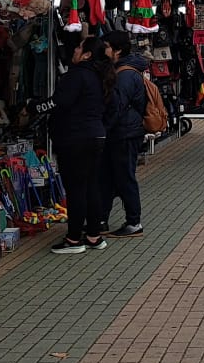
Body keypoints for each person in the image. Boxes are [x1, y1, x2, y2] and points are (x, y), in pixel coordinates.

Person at [48, 36, 112, 253]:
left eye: (78, 47)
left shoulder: (77, 75)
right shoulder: (100, 75)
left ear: (87, 54)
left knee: (76, 188)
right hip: (95, 136)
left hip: (75, 138)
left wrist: (33, 106)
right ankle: (94, 235)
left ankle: (74, 239)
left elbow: (59, 102)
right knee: (91, 186)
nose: (74, 50)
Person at [101, 30, 147, 238]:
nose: (103, 51)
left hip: (124, 132)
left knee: (124, 177)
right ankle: (101, 219)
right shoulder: (124, 70)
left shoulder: (125, 74)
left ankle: (134, 222)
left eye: (106, 47)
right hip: (124, 131)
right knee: (109, 177)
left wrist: (104, 128)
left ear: (117, 50)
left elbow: (116, 106)